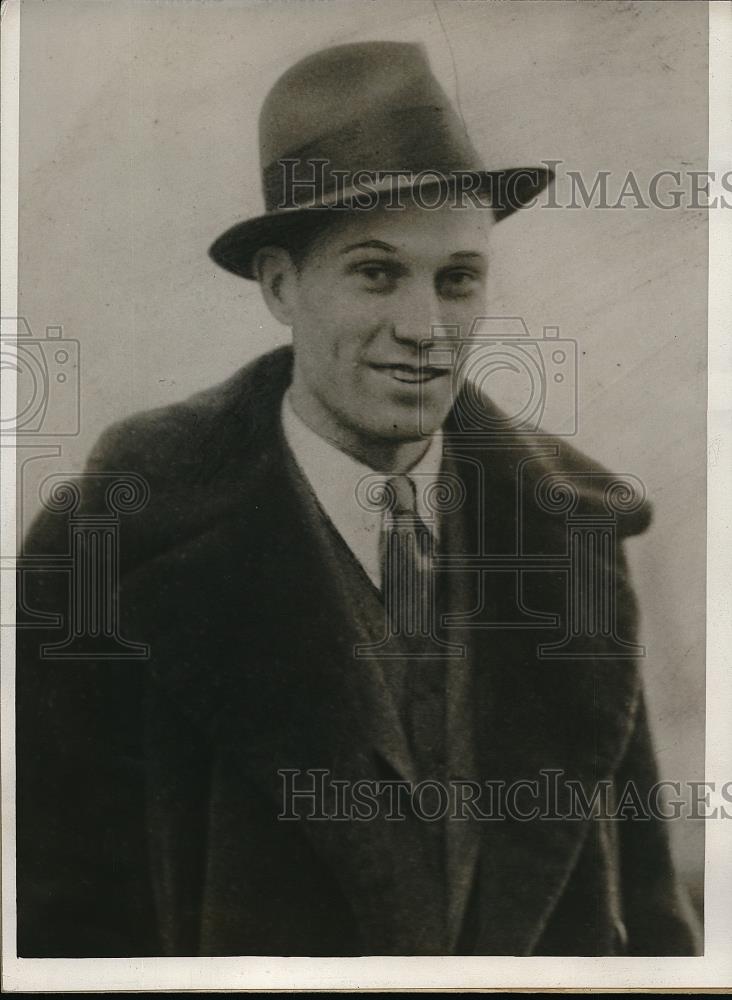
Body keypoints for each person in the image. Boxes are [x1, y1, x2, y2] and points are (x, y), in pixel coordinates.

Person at [16, 41, 700, 957]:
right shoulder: (116, 536)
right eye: (377, 273)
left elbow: (649, 915)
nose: (425, 329)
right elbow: (59, 921)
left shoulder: (570, 533)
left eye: (458, 278)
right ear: (279, 285)